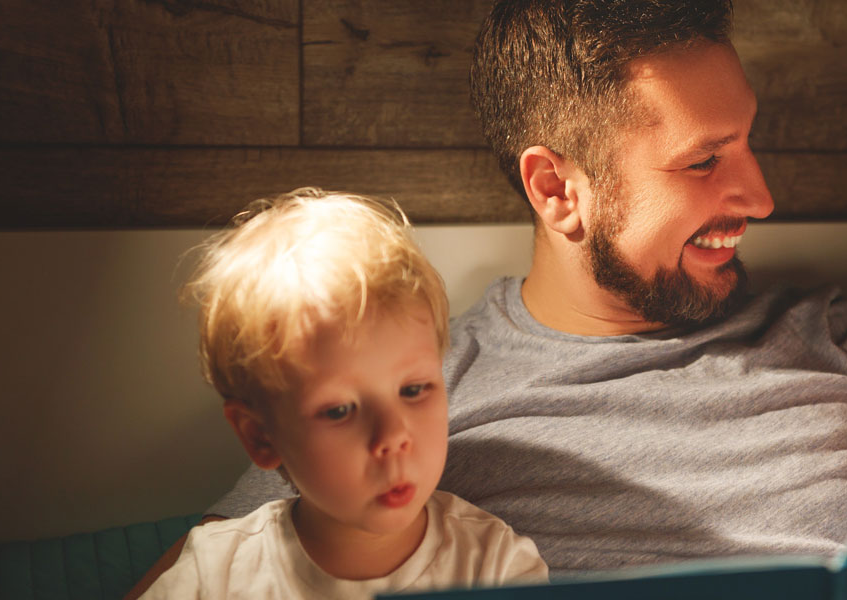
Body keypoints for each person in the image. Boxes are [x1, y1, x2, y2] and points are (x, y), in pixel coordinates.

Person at [137, 1, 847, 597]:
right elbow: (223, 568)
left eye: (749, 142)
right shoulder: (414, 399)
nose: (760, 194)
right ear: (558, 189)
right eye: (702, 161)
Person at [141, 189, 547, 599]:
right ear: (260, 436)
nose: (392, 436)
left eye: (413, 389)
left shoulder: (495, 567)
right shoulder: (216, 575)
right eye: (339, 410)